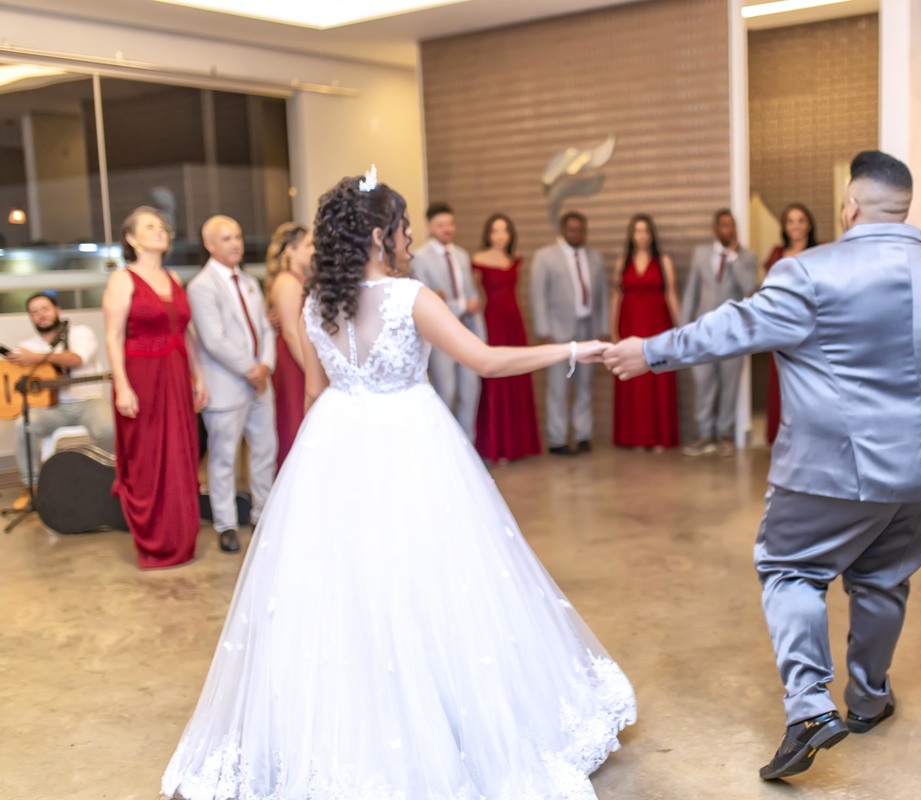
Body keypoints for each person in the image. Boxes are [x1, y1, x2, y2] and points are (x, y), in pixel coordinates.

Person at [162, 171, 635, 800]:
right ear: (381, 236)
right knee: (431, 580)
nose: (409, 238)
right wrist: (573, 350)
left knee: (345, 591)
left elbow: (314, 391)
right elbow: (486, 361)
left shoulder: (317, 301)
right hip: (411, 441)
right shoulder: (410, 297)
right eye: (404, 227)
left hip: (334, 442)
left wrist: (319, 466)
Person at [604, 151, 921, 780]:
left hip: (832, 468)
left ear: (850, 206)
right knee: (884, 579)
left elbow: (734, 328)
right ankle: (869, 699)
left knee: (790, 570)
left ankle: (809, 710)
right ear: (905, 206)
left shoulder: (809, 272)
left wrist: (650, 351)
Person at [102, 207, 208, 569]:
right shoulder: (122, 280)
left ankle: (181, 536)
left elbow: (186, 333)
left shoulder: (173, 277)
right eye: (150, 226)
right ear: (132, 239)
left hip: (176, 376)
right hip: (141, 378)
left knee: (180, 454)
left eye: (162, 226)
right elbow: (113, 337)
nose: (160, 230)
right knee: (148, 458)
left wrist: (198, 376)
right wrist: (122, 386)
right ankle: (156, 542)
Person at [188, 215, 277, 554]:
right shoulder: (201, 286)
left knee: (264, 450)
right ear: (209, 244)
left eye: (238, 237)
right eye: (226, 239)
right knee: (224, 458)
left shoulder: (250, 281)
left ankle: (262, 514)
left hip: (260, 383)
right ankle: (225, 524)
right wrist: (250, 369)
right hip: (227, 383)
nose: (235, 244)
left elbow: (266, 328)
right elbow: (214, 340)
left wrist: (266, 365)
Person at [5, 293, 114, 509]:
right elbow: (14, 378)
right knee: (23, 425)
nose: (41, 315)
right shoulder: (27, 346)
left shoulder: (80, 333)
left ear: (57, 310)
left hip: (88, 402)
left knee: (108, 428)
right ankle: (32, 488)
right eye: (34, 312)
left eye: (44, 309)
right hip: (51, 409)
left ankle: (98, 480)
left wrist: (36, 358)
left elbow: (76, 359)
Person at [679, 209, 757, 457]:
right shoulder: (700, 254)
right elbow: (691, 292)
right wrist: (683, 328)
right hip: (703, 331)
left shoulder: (747, 257)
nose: (728, 229)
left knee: (729, 384)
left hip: (734, 333)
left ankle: (724, 435)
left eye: (731, 225)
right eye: (723, 225)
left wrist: (733, 257)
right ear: (715, 228)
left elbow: (749, 289)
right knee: (703, 382)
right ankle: (704, 434)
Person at [531, 211, 610, 455]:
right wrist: (543, 329)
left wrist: (603, 328)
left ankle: (583, 434)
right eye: (572, 229)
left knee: (585, 385)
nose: (577, 234)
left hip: (588, 328)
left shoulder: (594, 257)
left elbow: (602, 295)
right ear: (563, 230)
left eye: (581, 230)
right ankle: (557, 439)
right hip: (557, 332)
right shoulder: (545, 256)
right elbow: (538, 296)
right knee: (558, 386)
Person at [411, 202, 485, 441]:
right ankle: (445, 445)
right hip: (440, 336)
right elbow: (425, 302)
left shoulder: (461, 255)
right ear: (429, 227)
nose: (447, 229)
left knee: (470, 392)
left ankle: (467, 447)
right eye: (441, 224)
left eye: (451, 223)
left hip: (467, 330)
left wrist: (467, 306)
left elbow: (471, 296)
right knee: (447, 392)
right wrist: (461, 305)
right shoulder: (419, 258)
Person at [472, 213, 541, 463]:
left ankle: (519, 446)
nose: (500, 235)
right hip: (492, 322)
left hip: (514, 322)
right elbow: (475, 295)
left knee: (517, 374)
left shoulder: (515, 259)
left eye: (504, 230)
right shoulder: (478, 260)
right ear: (488, 234)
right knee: (496, 377)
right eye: (495, 230)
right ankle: (496, 446)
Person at [610, 213, 679, 450]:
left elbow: (671, 294)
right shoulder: (622, 262)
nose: (641, 235)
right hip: (629, 325)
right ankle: (634, 438)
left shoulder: (663, 261)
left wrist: (681, 331)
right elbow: (616, 297)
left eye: (645, 230)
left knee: (657, 377)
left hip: (657, 326)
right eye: (637, 230)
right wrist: (613, 331)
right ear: (631, 234)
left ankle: (659, 438)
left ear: (651, 235)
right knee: (633, 380)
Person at [763, 204, 818, 445]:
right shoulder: (777, 254)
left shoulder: (819, 253)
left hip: (811, 325)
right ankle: (782, 439)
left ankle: (810, 437)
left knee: (809, 381)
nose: (796, 226)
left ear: (809, 224)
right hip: (781, 325)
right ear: (784, 227)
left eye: (801, 220)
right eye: (790, 221)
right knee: (781, 380)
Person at [265, 221, 314, 470]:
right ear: (290, 250)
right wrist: (310, 370)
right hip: (293, 361)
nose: (313, 250)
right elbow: (291, 333)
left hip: (305, 355)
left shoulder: (303, 279)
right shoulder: (287, 282)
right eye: (308, 245)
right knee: (294, 421)